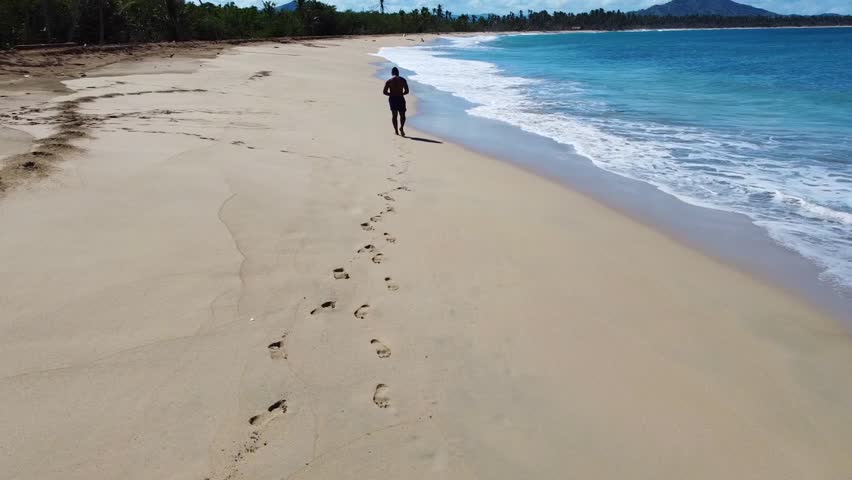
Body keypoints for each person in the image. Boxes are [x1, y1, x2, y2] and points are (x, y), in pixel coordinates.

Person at [383, 67, 409, 136]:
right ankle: (401, 128)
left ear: (392, 73)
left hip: (392, 99)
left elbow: (384, 92)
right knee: (402, 115)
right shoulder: (403, 80)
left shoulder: (389, 81)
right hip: (400, 98)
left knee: (394, 115)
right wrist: (401, 94)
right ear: (398, 73)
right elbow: (407, 91)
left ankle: (396, 131)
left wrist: (391, 94)